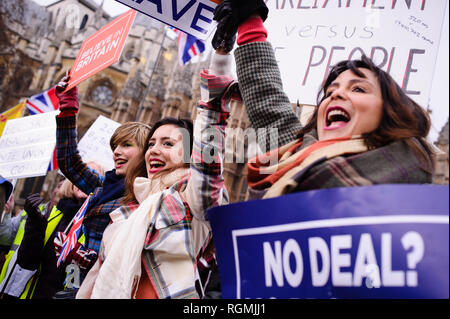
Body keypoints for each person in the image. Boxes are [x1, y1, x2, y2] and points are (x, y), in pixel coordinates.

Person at [211, 0, 435, 201]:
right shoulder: (297, 156)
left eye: (358, 88)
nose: (336, 94)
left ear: (391, 112)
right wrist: (249, 19)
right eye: (329, 93)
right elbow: (268, 103)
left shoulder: (406, 177)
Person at [76, 47, 235, 299]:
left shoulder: (191, 201)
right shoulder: (129, 208)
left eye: (168, 144)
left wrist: (220, 62)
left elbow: (208, 157)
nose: (154, 150)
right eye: (151, 144)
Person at [54, 79, 151, 283]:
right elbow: (69, 162)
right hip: (76, 283)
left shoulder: (148, 196)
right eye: (115, 145)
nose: (116, 151)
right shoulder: (102, 186)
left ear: (145, 153)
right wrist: (68, 112)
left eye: (126, 145)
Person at [0, 163, 102, 299]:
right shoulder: (51, 213)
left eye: (92, 175)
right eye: (81, 175)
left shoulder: (98, 224)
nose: (85, 179)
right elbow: (27, 261)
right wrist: (35, 225)